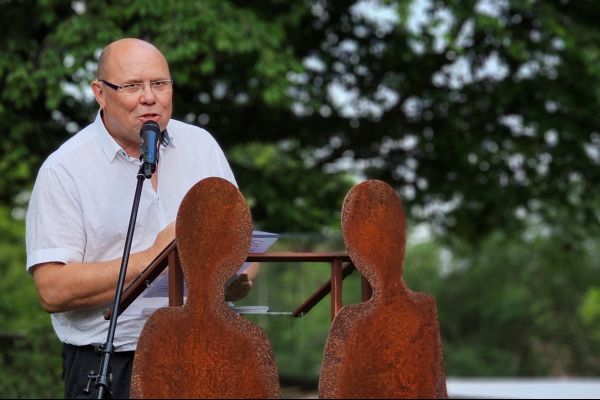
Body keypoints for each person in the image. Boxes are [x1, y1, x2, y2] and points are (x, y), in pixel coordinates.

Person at [25, 38, 257, 399]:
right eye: (133, 86)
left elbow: (240, 238)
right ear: (100, 93)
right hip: (109, 363)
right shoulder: (65, 169)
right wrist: (152, 258)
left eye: (160, 84)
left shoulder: (201, 145)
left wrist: (237, 276)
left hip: (203, 351)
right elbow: (52, 290)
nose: (150, 98)